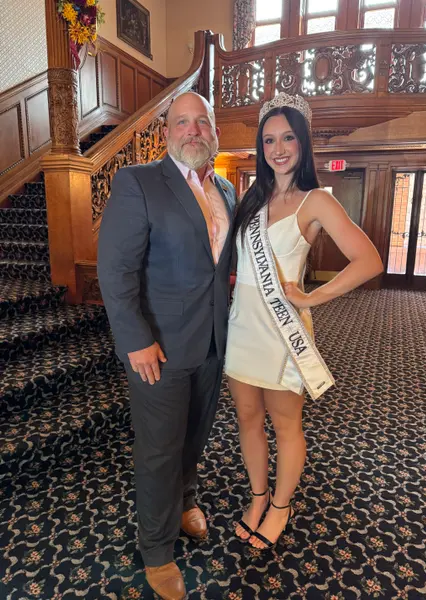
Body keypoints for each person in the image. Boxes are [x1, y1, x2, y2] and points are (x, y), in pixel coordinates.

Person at [225, 92, 383, 550]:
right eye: (269, 139)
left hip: (280, 331)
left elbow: (368, 260)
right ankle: (257, 498)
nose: (278, 148)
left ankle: (280, 505)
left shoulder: (315, 200)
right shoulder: (250, 198)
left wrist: (312, 296)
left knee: (285, 424)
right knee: (247, 418)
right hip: (242, 327)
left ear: (303, 143)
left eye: (288, 138)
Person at [97, 92, 236, 600]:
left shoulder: (224, 188)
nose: (193, 130)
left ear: (214, 132)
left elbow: (219, 267)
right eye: (183, 122)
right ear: (166, 131)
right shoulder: (139, 182)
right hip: (158, 348)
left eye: (203, 122)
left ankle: (184, 500)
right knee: (159, 449)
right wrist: (135, 341)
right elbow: (116, 270)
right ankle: (156, 551)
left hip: (213, 342)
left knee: (195, 435)